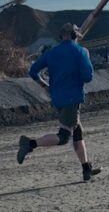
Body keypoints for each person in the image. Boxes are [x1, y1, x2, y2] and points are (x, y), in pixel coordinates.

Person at [17, 23, 101, 181]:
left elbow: (33, 71)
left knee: (77, 132)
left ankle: (86, 168)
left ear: (60, 36)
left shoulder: (51, 52)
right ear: (76, 36)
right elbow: (88, 77)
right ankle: (30, 144)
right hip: (72, 98)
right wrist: (86, 59)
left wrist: (45, 85)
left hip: (58, 99)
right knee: (63, 137)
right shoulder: (80, 51)